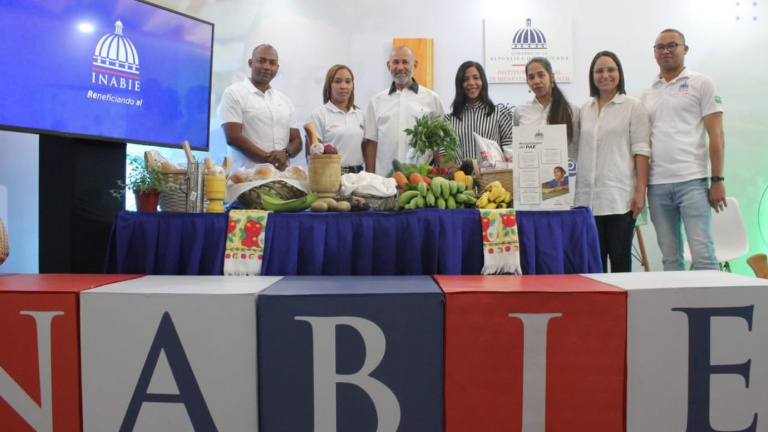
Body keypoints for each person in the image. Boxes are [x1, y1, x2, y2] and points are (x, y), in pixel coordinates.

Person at [640, 29, 726, 271]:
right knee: (669, 258)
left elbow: (717, 134)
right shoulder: (647, 93)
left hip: (693, 182)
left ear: (684, 49)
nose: (665, 51)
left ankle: (711, 307)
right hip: (656, 187)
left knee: (703, 254)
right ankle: (673, 309)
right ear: (654, 53)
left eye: (671, 45)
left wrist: (717, 179)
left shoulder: (703, 83)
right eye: (660, 47)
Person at [576, 51, 651, 273]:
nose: (605, 75)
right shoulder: (584, 110)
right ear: (592, 76)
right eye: (599, 71)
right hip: (588, 199)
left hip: (621, 198)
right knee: (593, 261)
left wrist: (640, 191)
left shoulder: (633, 107)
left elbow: (641, 150)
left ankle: (622, 307)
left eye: (611, 69)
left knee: (620, 259)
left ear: (619, 73)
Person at [217, 44, 302, 172]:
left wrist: (285, 153)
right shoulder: (233, 93)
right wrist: (271, 160)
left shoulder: (285, 101)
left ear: (277, 68)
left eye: (272, 63)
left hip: (281, 179)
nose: (267, 66)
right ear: (250, 63)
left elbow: (296, 140)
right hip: (245, 180)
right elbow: (233, 138)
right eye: (261, 61)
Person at [363, 45, 445, 176]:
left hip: (422, 181)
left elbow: (440, 143)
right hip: (384, 180)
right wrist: (370, 178)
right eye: (395, 62)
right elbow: (371, 143)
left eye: (405, 62)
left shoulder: (432, 99)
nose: (400, 67)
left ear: (415, 65)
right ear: (388, 65)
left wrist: (441, 176)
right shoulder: (376, 102)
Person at [445, 61, 514, 161]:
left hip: (494, 176)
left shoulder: (500, 114)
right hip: (460, 176)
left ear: (483, 81)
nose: (471, 83)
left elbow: (510, 152)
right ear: (460, 84)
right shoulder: (448, 121)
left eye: (476, 78)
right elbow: (445, 157)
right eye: (465, 79)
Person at [513, 57, 580, 161]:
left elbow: (576, 148)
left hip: (563, 174)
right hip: (530, 172)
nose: (536, 81)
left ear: (551, 77)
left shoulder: (572, 110)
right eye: (531, 77)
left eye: (541, 75)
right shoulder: (520, 112)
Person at [308, 65, 365, 174]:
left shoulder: (361, 115)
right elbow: (313, 155)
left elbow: (368, 150)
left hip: (358, 177)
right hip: (330, 175)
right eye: (337, 81)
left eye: (348, 82)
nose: (343, 86)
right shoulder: (319, 114)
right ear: (329, 85)